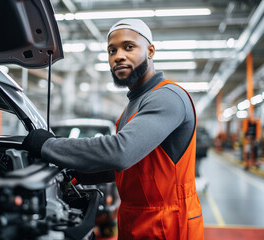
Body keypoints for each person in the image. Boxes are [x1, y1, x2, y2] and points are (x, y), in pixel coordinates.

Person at [23, 19, 204, 240]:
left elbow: (121, 152)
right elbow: (135, 166)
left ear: (150, 51)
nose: (118, 56)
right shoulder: (133, 105)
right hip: (136, 222)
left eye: (129, 47)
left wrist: (48, 145)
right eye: (112, 50)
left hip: (168, 226)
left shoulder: (167, 97)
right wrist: (78, 175)